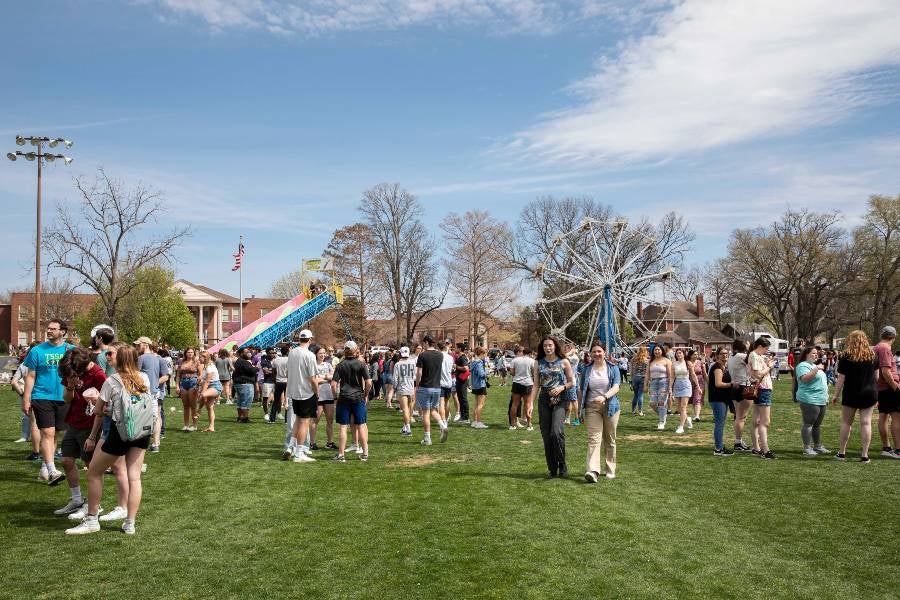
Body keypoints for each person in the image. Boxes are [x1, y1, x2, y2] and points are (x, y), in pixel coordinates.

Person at [65, 343, 154, 535]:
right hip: (142, 432)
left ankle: (91, 520)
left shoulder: (112, 381)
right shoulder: (143, 378)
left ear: (119, 360)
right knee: (135, 478)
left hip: (119, 433)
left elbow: (98, 410)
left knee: (94, 473)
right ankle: (130, 522)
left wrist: (96, 402)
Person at [53, 347, 107, 516]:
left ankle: (94, 506)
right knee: (66, 460)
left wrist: (92, 436)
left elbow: (105, 406)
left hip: (91, 425)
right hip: (74, 421)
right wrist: (70, 385)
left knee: (91, 466)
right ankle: (77, 499)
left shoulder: (99, 375)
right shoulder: (72, 371)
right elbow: (67, 399)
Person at [23, 319, 75, 486]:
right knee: (48, 433)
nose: (49, 330)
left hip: (64, 397)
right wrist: (26, 397)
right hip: (41, 396)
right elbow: (30, 376)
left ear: (63, 332)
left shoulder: (71, 350)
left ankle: (46, 465)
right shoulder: (37, 351)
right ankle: (53, 471)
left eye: (53, 328)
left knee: (56, 434)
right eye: (48, 328)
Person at [832, 330, 879, 462]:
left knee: (846, 422)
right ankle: (864, 455)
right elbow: (877, 377)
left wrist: (836, 394)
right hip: (869, 392)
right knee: (866, 422)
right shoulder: (872, 355)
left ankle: (841, 453)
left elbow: (841, 377)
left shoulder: (846, 356)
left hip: (851, 392)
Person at [533, 336, 575, 478]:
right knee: (546, 435)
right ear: (542, 347)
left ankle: (562, 465)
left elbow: (571, 382)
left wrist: (561, 387)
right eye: (545, 346)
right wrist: (530, 404)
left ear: (555, 346)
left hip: (560, 399)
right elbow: (536, 384)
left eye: (550, 345)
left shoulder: (564, 361)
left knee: (556, 432)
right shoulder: (538, 363)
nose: (548, 348)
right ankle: (552, 468)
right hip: (544, 399)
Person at [580, 343, 621, 482]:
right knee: (594, 439)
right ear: (590, 354)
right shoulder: (586, 369)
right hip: (592, 408)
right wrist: (579, 410)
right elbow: (581, 390)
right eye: (594, 352)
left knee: (610, 439)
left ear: (604, 353)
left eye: (599, 351)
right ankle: (593, 470)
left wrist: (604, 397)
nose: (597, 354)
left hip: (611, 407)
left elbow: (616, 387)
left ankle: (610, 468)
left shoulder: (613, 368)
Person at [330, 341, 372, 462]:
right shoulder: (361, 364)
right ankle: (365, 453)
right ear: (355, 350)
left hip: (344, 397)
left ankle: (341, 455)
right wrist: (365, 394)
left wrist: (335, 398)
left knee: (343, 426)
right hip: (358, 397)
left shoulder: (340, 365)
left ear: (345, 350)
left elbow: (333, 384)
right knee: (361, 425)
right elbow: (369, 382)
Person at [286, 330, 322, 462]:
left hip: (294, 391)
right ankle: (299, 452)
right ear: (310, 339)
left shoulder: (292, 353)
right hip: (306, 392)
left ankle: (291, 447)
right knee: (304, 422)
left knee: (298, 420)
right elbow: (313, 379)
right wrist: (316, 392)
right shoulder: (309, 355)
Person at [135, 338, 169, 452]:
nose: (137, 347)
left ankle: (140, 445)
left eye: (138, 345)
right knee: (155, 417)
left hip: (144, 393)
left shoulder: (141, 358)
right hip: (155, 393)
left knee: (142, 418)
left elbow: (135, 376)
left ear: (145, 345)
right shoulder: (156, 359)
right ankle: (155, 444)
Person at [415, 335, 449, 446]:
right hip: (437, 387)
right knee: (434, 410)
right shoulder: (440, 355)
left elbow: (419, 372)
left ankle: (427, 438)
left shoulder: (422, 355)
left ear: (426, 342)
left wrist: (417, 384)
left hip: (425, 386)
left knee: (426, 412)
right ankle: (443, 426)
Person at [746, 337, 776, 459]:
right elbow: (758, 374)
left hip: (760, 389)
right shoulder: (754, 355)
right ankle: (765, 450)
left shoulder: (753, 355)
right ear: (760, 347)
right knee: (765, 421)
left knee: (756, 420)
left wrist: (767, 364)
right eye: (766, 348)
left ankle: (757, 447)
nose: (766, 351)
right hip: (763, 389)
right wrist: (769, 367)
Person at [873, 326, 900, 458]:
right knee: (896, 417)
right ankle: (898, 450)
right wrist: (895, 387)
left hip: (882, 388)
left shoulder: (877, 347)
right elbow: (885, 371)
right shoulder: (884, 348)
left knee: (883, 416)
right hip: (889, 388)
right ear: (893, 337)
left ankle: (887, 447)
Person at [707, 347, 734, 456]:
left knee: (720, 423)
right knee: (719, 423)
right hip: (717, 399)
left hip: (722, 398)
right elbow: (718, 384)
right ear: (717, 355)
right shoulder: (717, 367)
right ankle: (718, 449)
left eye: (726, 353)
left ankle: (720, 446)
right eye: (722, 353)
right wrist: (731, 384)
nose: (725, 355)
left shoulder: (724, 367)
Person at [727, 340, 753, 452]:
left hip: (734, 387)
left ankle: (738, 441)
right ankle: (738, 442)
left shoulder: (731, 357)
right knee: (741, 417)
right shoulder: (742, 356)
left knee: (738, 416)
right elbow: (753, 361)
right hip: (743, 387)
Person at [311, 345, 336, 450]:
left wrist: (323, 377)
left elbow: (333, 377)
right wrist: (326, 378)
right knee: (315, 420)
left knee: (330, 420)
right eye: (320, 353)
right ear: (316, 354)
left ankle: (329, 443)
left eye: (324, 353)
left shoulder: (328, 364)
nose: (322, 355)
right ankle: (312, 443)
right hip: (318, 396)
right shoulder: (313, 365)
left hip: (329, 395)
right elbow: (314, 380)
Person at [647, 345, 673, 431]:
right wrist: (645, 385)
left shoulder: (667, 361)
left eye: (658, 349)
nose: (657, 351)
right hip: (653, 383)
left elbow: (670, 375)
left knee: (662, 403)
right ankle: (663, 415)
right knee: (652, 403)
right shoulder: (651, 361)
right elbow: (647, 374)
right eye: (655, 350)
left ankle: (662, 422)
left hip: (664, 382)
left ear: (662, 351)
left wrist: (669, 387)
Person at [509, 346, 535, 430]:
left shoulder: (514, 360)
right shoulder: (532, 361)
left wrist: (518, 374)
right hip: (528, 383)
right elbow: (534, 373)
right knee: (528, 404)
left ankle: (513, 424)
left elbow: (512, 372)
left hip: (516, 383)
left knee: (514, 404)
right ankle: (529, 424)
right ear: (530, 354)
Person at [393, 346, 417, 436]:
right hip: (411, 388)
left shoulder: (397, 364)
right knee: (409, 408)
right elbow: (415, 376)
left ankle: (408, 429)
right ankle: (405, 426)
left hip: (402, 388)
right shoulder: (412, 363)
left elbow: (395, 379)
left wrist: (395, 388)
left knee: (405, 409)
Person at [197, 350, 222, 432]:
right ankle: (211, 427)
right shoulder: (205, 366)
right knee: (209, 407)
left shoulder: (210, 367)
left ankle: (199, 410)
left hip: (215, 386)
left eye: (200, 357)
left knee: (203, 395)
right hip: (210, 386)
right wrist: (200, 379)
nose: (199, 358)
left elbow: (207, 382)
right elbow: (204, 379)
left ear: (205, 358)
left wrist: (201, 392)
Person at [176, 347, 200, 431]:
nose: (190, 353)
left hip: (193, 383)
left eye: (191, 352)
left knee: (193, 405)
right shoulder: (181, 362)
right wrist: (177, 386)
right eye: (188, 352)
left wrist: (198, 385)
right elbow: (178, 375)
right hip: (183, 383)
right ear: (185, 353)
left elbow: (200, 375)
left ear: (194, 353)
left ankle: (194, 425)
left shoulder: (197, 362)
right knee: (185, 405)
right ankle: (186, 425)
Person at [232, 346, 258, 424]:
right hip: (245, 384)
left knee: (240, 402)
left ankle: (240, 417)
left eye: (248, 352)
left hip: (240, 384)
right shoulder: (243, 361)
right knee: (246, 401)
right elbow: (251, 371)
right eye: (246, 352)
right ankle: (245, 418)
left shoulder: (240, 361)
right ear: (241, 353)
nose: (248, 353)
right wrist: (256, 368)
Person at [672, 349, 695, 434]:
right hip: (677, 384)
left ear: (683, 354)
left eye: (680, 353)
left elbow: (693, 375)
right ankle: (687, 418)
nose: (678, 354)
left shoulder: (688, 363)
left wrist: (698, 386)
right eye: (677, 353)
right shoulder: (674, 364)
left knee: (683, 407)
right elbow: (672, 377)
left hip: (686, 385)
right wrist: (670, 387)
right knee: (678, 409)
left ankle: (681, 426)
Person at [269, 345, 290, 423]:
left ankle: (272, 419)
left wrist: (275, 381)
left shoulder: (276, 360)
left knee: (276, 401)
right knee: (287, 400)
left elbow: (273, 372)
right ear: (288, 352)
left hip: (278, 381)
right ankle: (287, 420)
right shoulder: (289, 360)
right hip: (287, 382)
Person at [470, 347, 489, 429]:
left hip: (475, 385)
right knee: (480, 405)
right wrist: (487, 373)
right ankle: (478, 422)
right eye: (484, 354)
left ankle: (474, 421)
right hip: (480, 385)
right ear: (481, 354)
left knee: (477, 404)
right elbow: (481, 374)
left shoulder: (473, 362)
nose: (485, 356)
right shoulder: (479, 363)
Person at [564, 341, 581, 426]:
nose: (564, 350)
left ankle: (577, 419)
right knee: (570, 400)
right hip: (568, 381)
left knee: (574, 401)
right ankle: (567, 418)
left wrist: (571, 351)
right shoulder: (570, 357)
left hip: (571, 382)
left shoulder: (574, 357)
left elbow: (564, 356)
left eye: (566, 348)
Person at [630, 346, 648, 417]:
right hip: (642, 378)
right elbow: (647, 371)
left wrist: (631, 379)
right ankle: (640, 411)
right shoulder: (646, 360)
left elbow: (631, 370)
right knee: (640, 395)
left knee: (635, 395)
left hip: (635, 377)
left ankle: (633, 411)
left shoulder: (633, 359)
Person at [689, 349, 706, 422]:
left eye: (697, 354)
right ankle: (696, 414)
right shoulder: (687, 363)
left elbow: (705, 374)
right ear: (690, 355)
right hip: (690, 382)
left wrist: (709, 383)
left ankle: (697, 416)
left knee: (697, 398)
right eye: (694, 354)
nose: (696, 356)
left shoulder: (700, 363)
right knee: (693, 399)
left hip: (700, 382)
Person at [455, 347, 471, 424]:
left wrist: (457, 367)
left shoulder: (463, 358)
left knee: (463, 398)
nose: (455, 349)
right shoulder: (460, 357)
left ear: (460, 349)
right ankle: (462, 416)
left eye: (456, 347)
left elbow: (466, 368)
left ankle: (466, 418)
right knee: (460, 398)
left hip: (462, 381)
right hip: (459, 380)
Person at [260, 347, 276, 420]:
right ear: (267, 353)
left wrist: (270, 370)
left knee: (277, 398)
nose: (272, 354)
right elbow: (266, 372)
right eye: (271, 353)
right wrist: (274, 371)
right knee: (265, 398)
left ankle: (278, 413)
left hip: (276, 381)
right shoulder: (264, 361)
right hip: (268, 381)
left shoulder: (276, 360)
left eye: (273, 353)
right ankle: (266, 413)